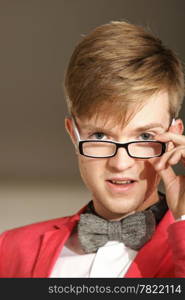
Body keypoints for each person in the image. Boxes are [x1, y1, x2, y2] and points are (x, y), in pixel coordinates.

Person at [0, 20, 185, 278]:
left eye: (145, 136)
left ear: (174, 136)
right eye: (99, 135)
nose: (121, 163)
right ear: (73, 135)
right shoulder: (11, 250)